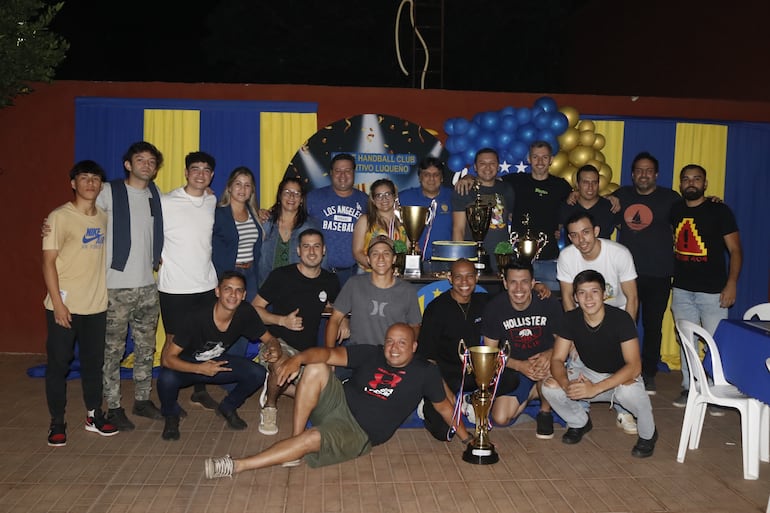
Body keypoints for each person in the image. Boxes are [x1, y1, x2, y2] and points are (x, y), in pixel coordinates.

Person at [203, 323, 471, 478]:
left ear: (414, 347)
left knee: (311, 440)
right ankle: (295, 441)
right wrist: (297, 358)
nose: (394, 347)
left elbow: (445, 407)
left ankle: (237, 465)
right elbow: (327, 353)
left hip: (357, 432)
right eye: (390, 341)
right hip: (338, 402)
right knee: (317, 366)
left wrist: (468, 438)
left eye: (402, 343)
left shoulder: (425, 372)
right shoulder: (373, 353)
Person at [542, 270, 658, 458]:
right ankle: (580, 422)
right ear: (575, 297)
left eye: (594, 291)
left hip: (621, 377)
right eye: (582, 293)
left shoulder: (621, 319)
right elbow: (557, 359)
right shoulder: (570, 319)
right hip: (588, 372)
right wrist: (567, 385)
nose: (588, 298)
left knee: (629, 393)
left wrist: (595, 388)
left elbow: (635, 366)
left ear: (604, 294)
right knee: (550, 386)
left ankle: (648, 434)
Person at [42, 160, 117, 446]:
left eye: (95, 179)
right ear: (73, 183)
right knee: (58, 365)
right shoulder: (58, 217)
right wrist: (59, 306)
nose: (90, 183)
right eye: (84, 178)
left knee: (93, 365)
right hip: (64, 307)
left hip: (96, 306)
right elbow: (48, 262)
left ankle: (94, 415)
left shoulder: (102, 217)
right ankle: (57, 422)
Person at [157, 271, 276, 440]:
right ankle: (170, 415)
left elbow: (270, 339)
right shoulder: (196, 316)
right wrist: (200, 369)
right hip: (187, 364)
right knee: (166, 378)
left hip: (216, 364)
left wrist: (275, 349)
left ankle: (228, 407)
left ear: (244, 295)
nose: (233, 295)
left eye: (238, 290)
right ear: (218, 292)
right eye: (228, 289)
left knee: (258, 373)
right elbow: (167, 359)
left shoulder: (245, 312)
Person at [97, 142, 165, 431]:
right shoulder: (108, 191)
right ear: (128, 164)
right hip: (116, 286)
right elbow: (82, 218)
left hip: (148, 284)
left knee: (146, 348)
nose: (146, 165)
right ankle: (112, 406)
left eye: (152, 161)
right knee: (112, 351)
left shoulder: (153, 194)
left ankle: (141, 399)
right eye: (141, 160)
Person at [417, 258, 520, 440]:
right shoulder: (436, 309)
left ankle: (471, 399)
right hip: (447, 375)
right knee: (444, 432)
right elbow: (429, 360)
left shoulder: (486, 302)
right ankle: (426, 404)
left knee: (511, 379)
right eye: (458, 277)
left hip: (477, 373)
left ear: (476, 277)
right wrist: (447, 395)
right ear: (450, 278)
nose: (464, 282)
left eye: (469, 276)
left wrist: (538, 288)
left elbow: (515, 295)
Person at [556, 211, 639, 435]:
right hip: (584, 319)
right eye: (573, 235)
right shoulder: (566, 257)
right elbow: (566, 297)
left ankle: (624, 410)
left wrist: (625, 334)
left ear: (596, 231)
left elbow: (632, 298)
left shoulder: (619, 254)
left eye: (585, 233)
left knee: (622, 365)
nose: (580, 240)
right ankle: (579, 411)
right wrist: (574, 336)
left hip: (617, 317)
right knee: (575, 358)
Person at [251, 228, 341, 436]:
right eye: (306, 246)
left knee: (321, 394)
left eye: (316, 246)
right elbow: (254, 309)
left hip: (307, 351)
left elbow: (337, 308)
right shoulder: (281, 276)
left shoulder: (330, 281)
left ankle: (275, 385)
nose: (311, 251)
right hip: (277, 343)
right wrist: (281, 320)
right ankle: (270, 406)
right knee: (281, 364)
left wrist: (342, 319)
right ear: (298, 251)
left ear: (324, 250)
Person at [670, 164, 742, 408]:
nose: (691, 183)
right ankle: (689, 388)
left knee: (716, 344)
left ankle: (716, 392)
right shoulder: (675, 210)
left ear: (705, 183)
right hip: (681, 289)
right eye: (686, 179)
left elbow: (735, 250)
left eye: (696, 179)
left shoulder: (719, 211)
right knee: (686, 340)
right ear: (680, 184)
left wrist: (731, 283)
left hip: (713, 292)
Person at [610, 152, 682, 394]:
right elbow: (597, 207)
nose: (643, 174)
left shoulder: (670, 198)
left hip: (659, 273)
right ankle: (620, 368)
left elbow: (692, 214)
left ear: (656, 174)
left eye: (648, 170)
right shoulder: (622, 195)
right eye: (639, 170)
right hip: (626, 274)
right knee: (623, 323)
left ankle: (648, 372)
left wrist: (710, 201)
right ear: (632, 174)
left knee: (653, 325)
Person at [158, 151, 221, 411]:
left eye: (206, 170)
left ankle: (199, 390)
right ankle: (167, 400)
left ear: (212, 175)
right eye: (195, 169)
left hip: (206, 284)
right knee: (173, 342)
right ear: (186, 172)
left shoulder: (211, 199)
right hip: (174, 286)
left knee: (202, 342)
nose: (200, 174)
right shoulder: (166, 201)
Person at [481, 260, 563, 438]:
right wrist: (519, 366)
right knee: (501, 419)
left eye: (524, 281)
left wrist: (550, 355)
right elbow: (489, 353)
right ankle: (535, 392)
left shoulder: (548, 303)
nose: (519, 288)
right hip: (515, 367)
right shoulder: (494, 308)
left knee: (549, 375)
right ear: (504, 283)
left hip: (546, 364)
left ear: (533, 282)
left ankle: (544, 412)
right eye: (513, 282)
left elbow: (565, 341)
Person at [325, 235, 421, 349]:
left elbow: (415, 326)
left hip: (391, 354)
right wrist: (329, 355)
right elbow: (334, 319)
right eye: (375, 254)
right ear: (368, 259)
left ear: (394, 258)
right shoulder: (354, 284)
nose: (381, 258)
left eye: (386, 253)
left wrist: (405, 352)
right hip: (358, 352)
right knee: (316, 366)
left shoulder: (408, 290)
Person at [305, 153, 368, 286]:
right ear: (331, 173)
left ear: (354, 173)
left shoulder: (366, 201)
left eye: (347, 171)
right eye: (338, 171)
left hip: (353, 273)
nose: (342, 175)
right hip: (319, 272)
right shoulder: (314, 197)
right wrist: (266, 213)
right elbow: (290, 215)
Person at [451, 148, 515, 274]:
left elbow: (510, 219)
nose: (487, 167)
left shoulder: (507, 189)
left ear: (498, 166)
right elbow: (458, 229)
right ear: (475, 167)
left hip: (501, 259)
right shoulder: (464, 190)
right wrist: (459, 261)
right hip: (472, 258)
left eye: (492, 163)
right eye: (482, 163)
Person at [258, 176, 322, 286]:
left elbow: (320, 260)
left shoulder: (311, 226)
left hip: (298, 289)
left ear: (302, 199)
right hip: (266, 288)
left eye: (297, 193)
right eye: (287, 192)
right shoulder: (265, 222)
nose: (292, 196)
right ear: (280, 195)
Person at [212, 166, 264, 302]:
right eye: (238, 184)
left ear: (252, 190)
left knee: (250, 315)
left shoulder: (254, 214)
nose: (242, 189)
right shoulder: (217, 214)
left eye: (247, 185)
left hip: (251, 273)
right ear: (229, 187)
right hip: (229, 273)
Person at [398, 157, 454, 259]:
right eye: (426, 174)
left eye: (436, 175)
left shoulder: (453, 197)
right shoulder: (404, 197)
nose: (431, 179)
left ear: (442, 178)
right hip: (412, 260)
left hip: (446, 260)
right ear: (420, 177)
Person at [351, 178, 408, 271]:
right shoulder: (365, 220)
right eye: (379, 195)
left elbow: (409, 249)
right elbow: (357, 252)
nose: (384, 199)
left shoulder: (404, 220)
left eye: (387, 194)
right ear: (373, 199)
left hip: (398, 274)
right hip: (369, 273)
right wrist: (378, 269)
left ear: (394, 196)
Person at [559, 164, 619, 240]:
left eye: (594, 182)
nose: (590, 187)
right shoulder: (566, 207)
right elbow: (554, 231)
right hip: (573, 251)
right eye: (585, 182)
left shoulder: (610, 207)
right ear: (577, 185)